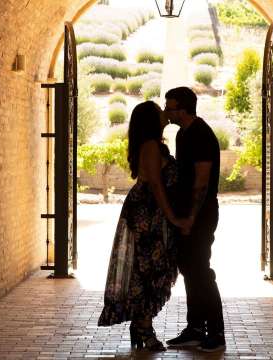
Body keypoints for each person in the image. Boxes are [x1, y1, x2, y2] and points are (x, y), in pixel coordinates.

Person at [98, 101, 186, 351]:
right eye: (159, 112)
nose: (164, 114)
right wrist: (173, 217)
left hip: (149, 212)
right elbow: (157, 186)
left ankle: (141, 326)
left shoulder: (153, 145)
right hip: (148, 214)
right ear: (150, 120)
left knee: (149, 269)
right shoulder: (150, 147)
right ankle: (144, 329)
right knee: (149, 270)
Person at [163, 87, 226, 352]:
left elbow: (201, 182)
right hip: (187, 216)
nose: (167, 112)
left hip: (199, 217)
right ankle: (195, 328)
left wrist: (191, 217)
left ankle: (216, 332)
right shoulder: (182, 134)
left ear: (184, 109)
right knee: (190, 270)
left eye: (171, 107)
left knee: (201, 272)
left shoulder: (201, 134)